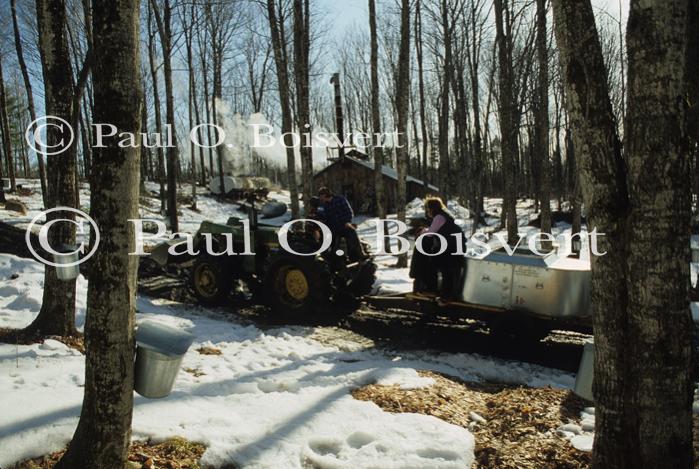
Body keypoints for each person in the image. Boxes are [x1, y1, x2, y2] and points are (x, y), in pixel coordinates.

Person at [416, 196, 464, 301]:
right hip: (456, 244)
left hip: (451, 245)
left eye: (428, 208)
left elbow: (430, 234)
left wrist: (422, 232)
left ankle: (433, 290)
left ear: (432, 208)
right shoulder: (444, 215)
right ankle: (446, 294)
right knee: (446, 269)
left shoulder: (439, 217)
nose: (427, 211)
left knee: (435, 264)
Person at [317, 187, 365, 261]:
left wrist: (347, 222)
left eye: (321, 196)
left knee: (351, 234)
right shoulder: (325, 205)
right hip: (333, 228)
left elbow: (349, 212)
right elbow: (325, 217)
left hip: (344, 224)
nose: (321, 198)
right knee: (327, 241)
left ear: (325, 195)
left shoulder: (340, 199)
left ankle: (358, 255)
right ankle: (332, 260)